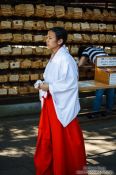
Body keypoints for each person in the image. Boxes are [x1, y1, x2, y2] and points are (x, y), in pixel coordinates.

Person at [34, 27, 87, 175]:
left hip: (60, 104)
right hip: (52, 101)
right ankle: (52, 167)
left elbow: (70, 83)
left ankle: (66, 168)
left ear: (60, 41)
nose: (47, 40)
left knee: (62, 139)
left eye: (50, 37)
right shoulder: (55, 55)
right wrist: (43, 84)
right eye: (47, 37)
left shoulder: (66, 58)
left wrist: (49, 86)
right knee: (49, 136)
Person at [78, 46, 115, 118]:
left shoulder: (86, 50)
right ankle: (109, 111)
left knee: (99, 92)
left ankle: (95, 113)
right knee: (110, 90)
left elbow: (80, 64)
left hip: (102, 69)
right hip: (112, 67)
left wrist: (85, 64)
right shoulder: (99, 48)